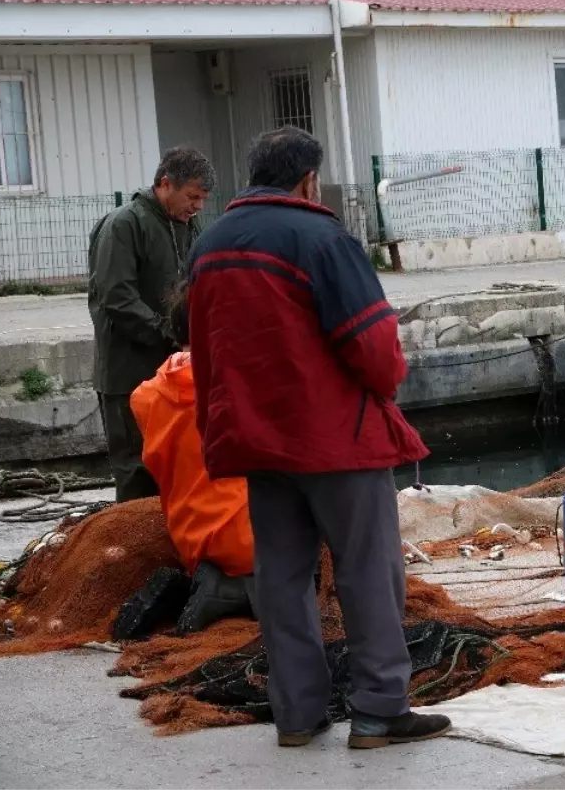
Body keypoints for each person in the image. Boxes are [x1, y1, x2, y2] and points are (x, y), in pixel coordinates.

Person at [187, 127, 449, 749]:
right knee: (367, 573)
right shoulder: (323, 237)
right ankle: (380, 709)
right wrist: (387, 382)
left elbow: (203, 347)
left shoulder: (210, 243)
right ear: (309, 179)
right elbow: (374, 348)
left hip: (256, 438)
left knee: (279, 578)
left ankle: (298, 716)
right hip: (334, 439)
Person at [88, 147, 214, 502]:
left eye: (203, 199)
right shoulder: (123, 225)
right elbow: (116, 298)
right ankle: (137, 554)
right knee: (137, 472)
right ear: (164, 183)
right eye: (192, 196)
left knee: (178, 468)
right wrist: (174, 336)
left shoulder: (189, 226)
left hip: (173, 372)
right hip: (128, 373)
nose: (198, 206)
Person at [129, 281, 255, 635]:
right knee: (325, 550)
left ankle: (207, 582)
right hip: (252, 540)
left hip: (189, 539)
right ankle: (236, 590)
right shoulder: (243, 385)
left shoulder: (145, 397)